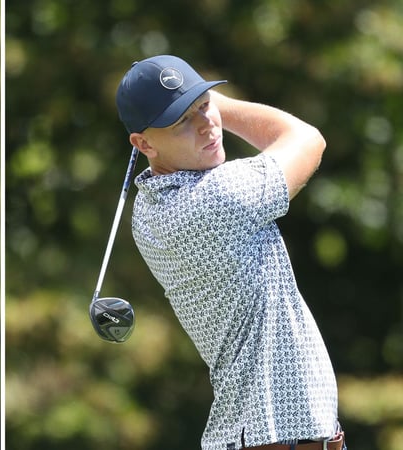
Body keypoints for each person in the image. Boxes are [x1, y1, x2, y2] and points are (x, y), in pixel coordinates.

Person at [115, 55, 346, 450]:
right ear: (143, 143)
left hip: (265, 436)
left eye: (204, 106)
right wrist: (219, 102)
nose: (206, 124)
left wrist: (194, 103)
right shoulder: (217, 198)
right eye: (182, 121)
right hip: (274, 438)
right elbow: (308, 138)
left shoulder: (147, 209)